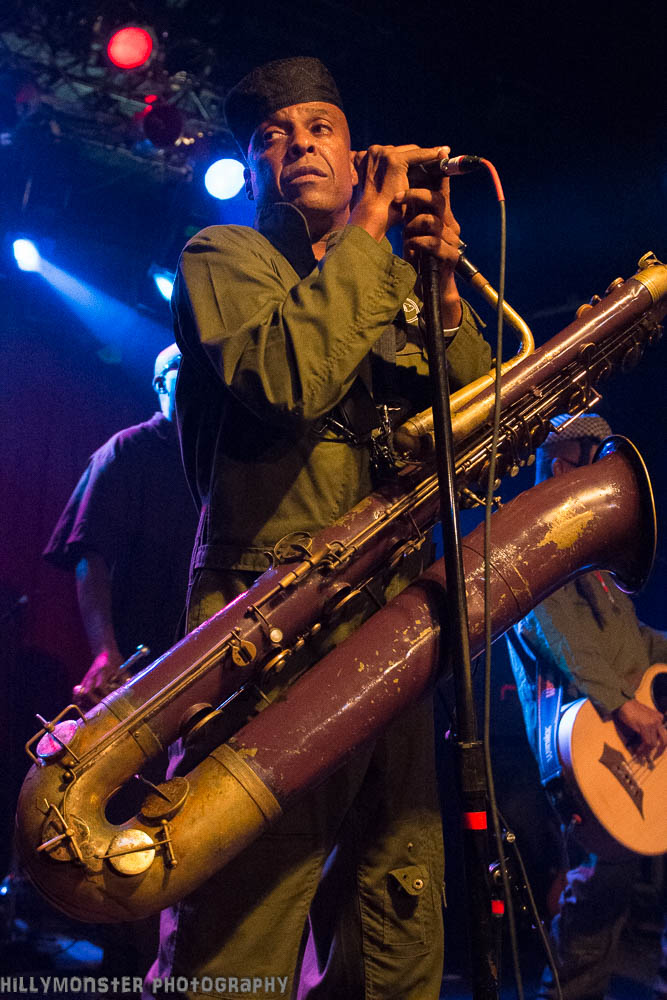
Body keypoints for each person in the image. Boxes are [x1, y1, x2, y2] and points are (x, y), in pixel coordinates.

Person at [146, 56, 491, 1000]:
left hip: (398, 625)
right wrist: (371, 236)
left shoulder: (396, 280)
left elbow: (483, 453)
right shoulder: (223, 255)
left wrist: (443, 298)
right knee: (241, 925)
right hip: (271, 626)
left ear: (353, 152)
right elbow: (287, 379)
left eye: (318, 127)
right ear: (253, 171)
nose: (296, 144)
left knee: (396, 920)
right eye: (271, 137)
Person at [506, 412, 667, 1000]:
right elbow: (550, 626)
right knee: (597, 896)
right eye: (596, 471)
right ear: (560, 469)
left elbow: (634, 642)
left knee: (613, 894)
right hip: (587, 748)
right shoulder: (536, 543)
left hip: (620, 743)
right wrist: (621, 703)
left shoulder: (594, 560)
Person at [44, 342, 198, 706]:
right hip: (136, 655)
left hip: (193, 651)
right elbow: (89, 555)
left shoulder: (211, 460)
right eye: (185, 365)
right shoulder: (127, 450)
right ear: (160, 383)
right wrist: (105, 651)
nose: (198, 375)